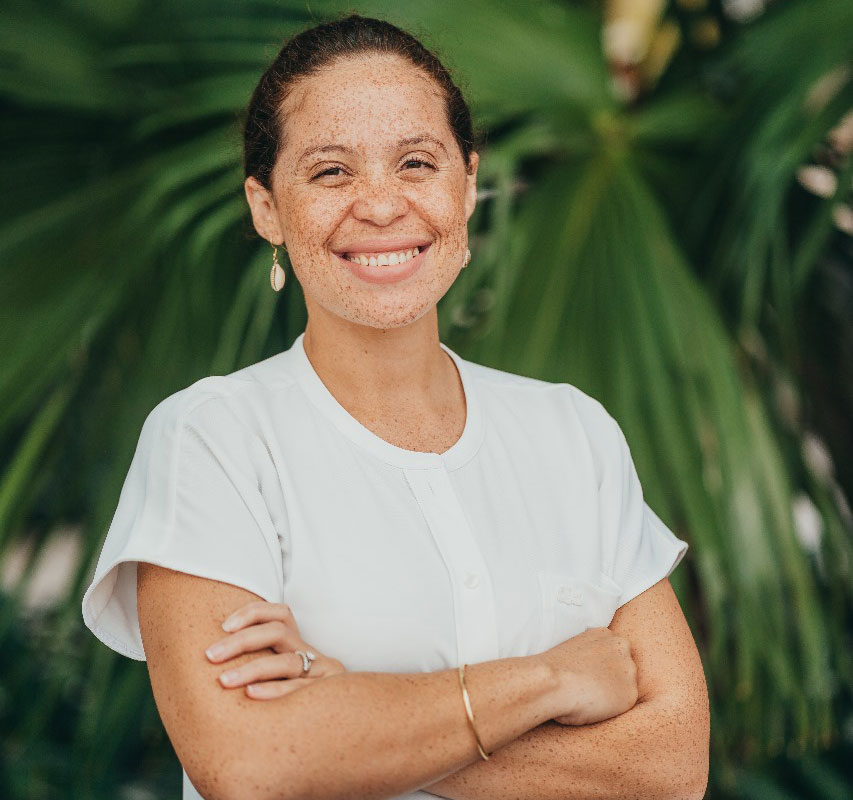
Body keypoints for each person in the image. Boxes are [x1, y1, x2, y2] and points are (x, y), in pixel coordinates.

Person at [81, 13, 709, 800]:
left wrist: (351, 708)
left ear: (468, 184)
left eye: (416, 162)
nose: (380, 206)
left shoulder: (572, 432)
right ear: (265, 207)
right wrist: (549, 680)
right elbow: (251, 763)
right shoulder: (212, 439)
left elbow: (672, 768)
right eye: (331, 172)